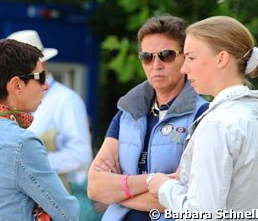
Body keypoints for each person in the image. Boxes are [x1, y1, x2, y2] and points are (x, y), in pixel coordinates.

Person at [87, 14, 209, 221]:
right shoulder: (126, 113)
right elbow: (96, 187)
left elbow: (187, 196)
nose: (156, 64)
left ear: (185, 57)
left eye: (167, 55)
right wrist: (153, 181)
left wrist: (118, 193)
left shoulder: (203, 116)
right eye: (147, 57)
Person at [0, 38, 79, 220]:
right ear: (17, 85)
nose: (45, 86)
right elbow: (67, 213)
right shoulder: (21, 143)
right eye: (40, 77)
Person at [147, 16, 258, 219]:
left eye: (190, 57)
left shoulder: (218, 123)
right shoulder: (250, 112)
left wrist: (164, 187)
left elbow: (203, 214)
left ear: (221, 59)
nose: (184, 68)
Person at [7, 30, 104, 220]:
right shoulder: (17, 103)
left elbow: (81, 155)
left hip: (68, 196)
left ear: (41, 63)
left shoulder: (66, 99)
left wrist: (29, 164)